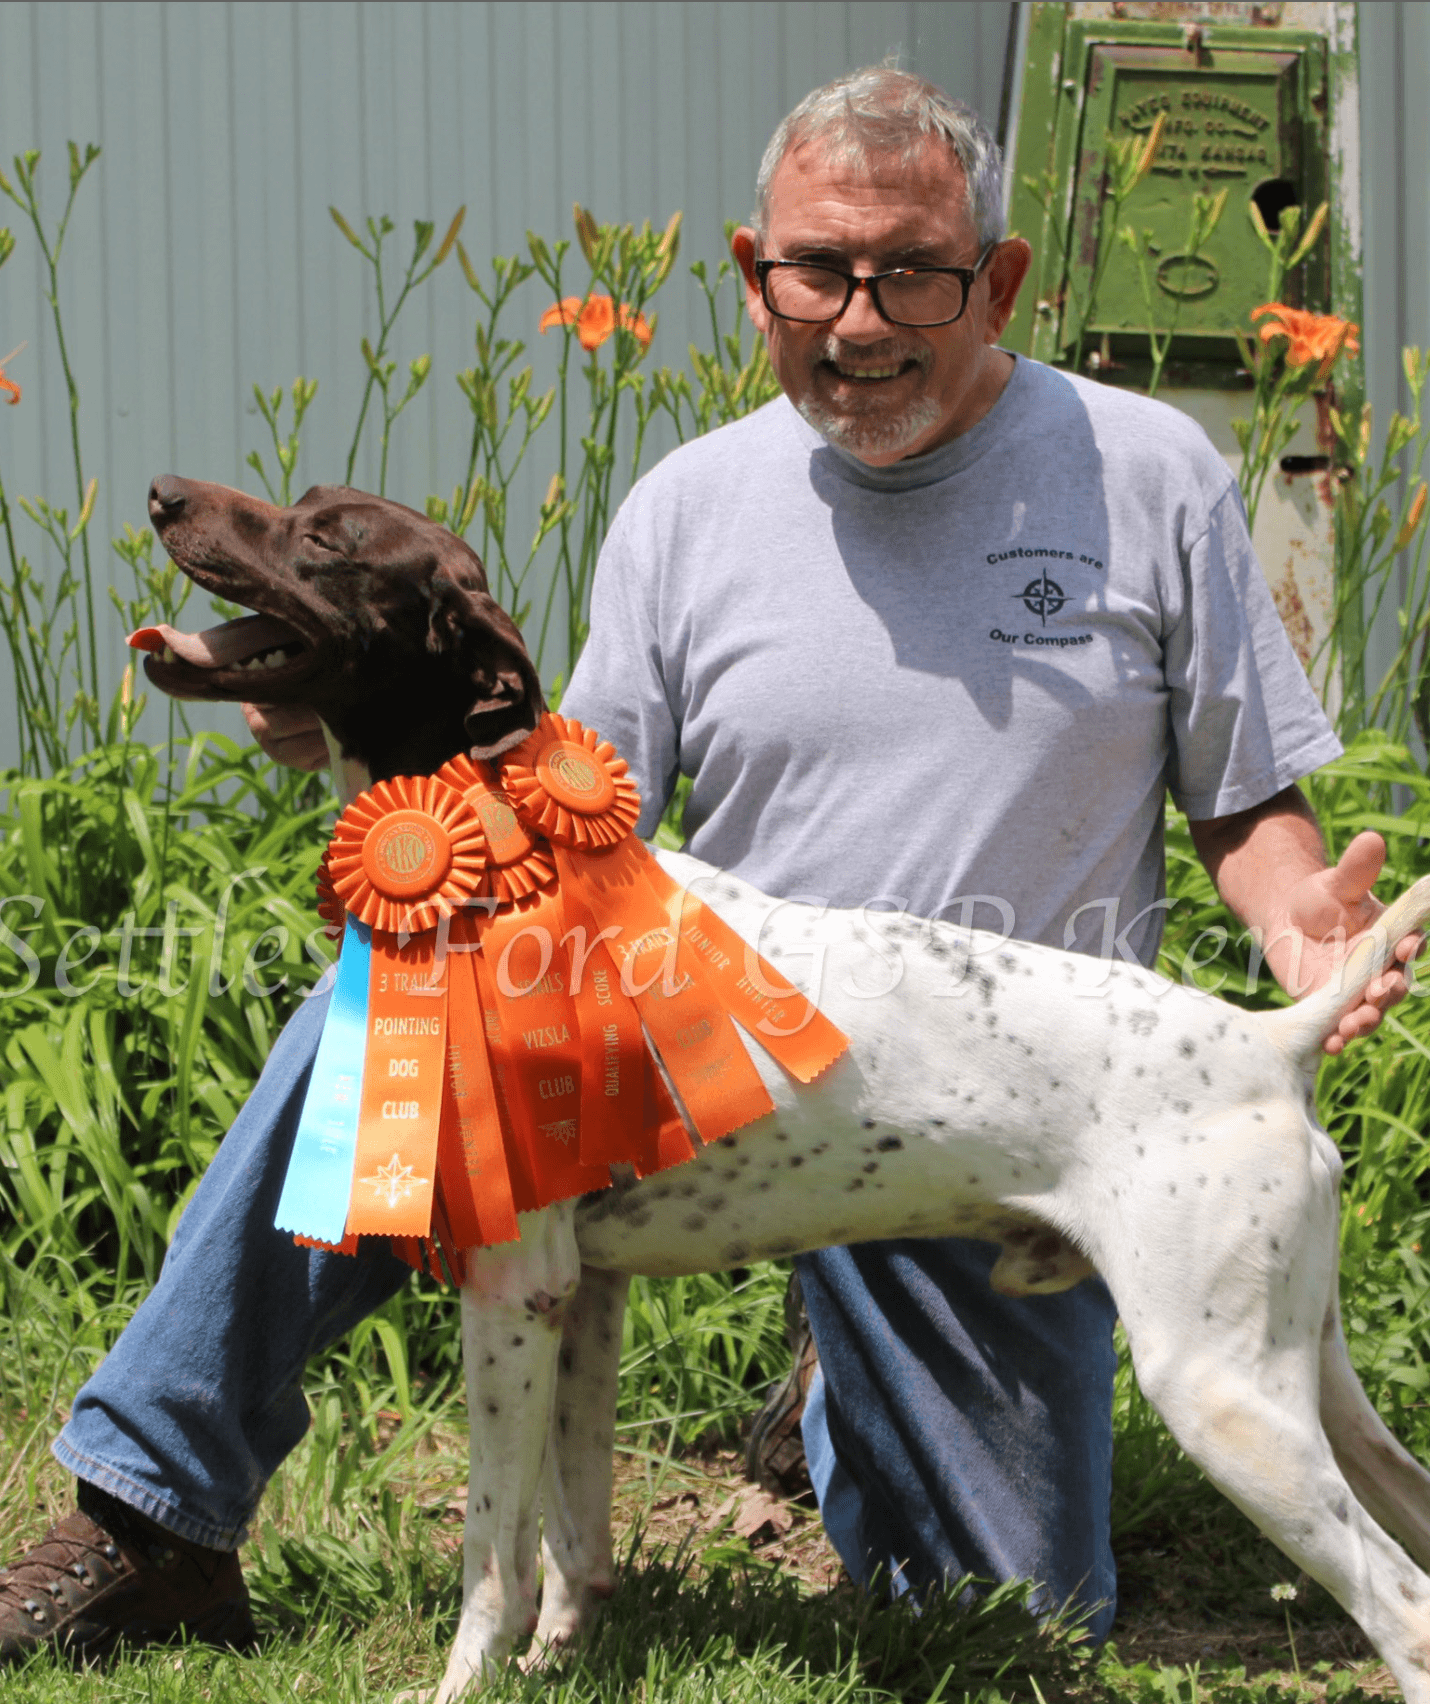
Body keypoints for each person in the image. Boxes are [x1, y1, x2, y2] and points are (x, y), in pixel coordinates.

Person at [0, 67, 1416, 1661]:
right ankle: (151, 1507)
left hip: (992, 1107)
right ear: (754, 276)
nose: (858, 321)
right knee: (374, 1026)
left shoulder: (1147, 470)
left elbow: (1245, 804)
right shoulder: (684, 506)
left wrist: (1298, 927)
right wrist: (338, 711)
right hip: (700, 1074)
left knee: (1007, 1612)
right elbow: (542, 819)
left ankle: (829, 1378)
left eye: (912, 273)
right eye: (816, 272)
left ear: (999, 280)